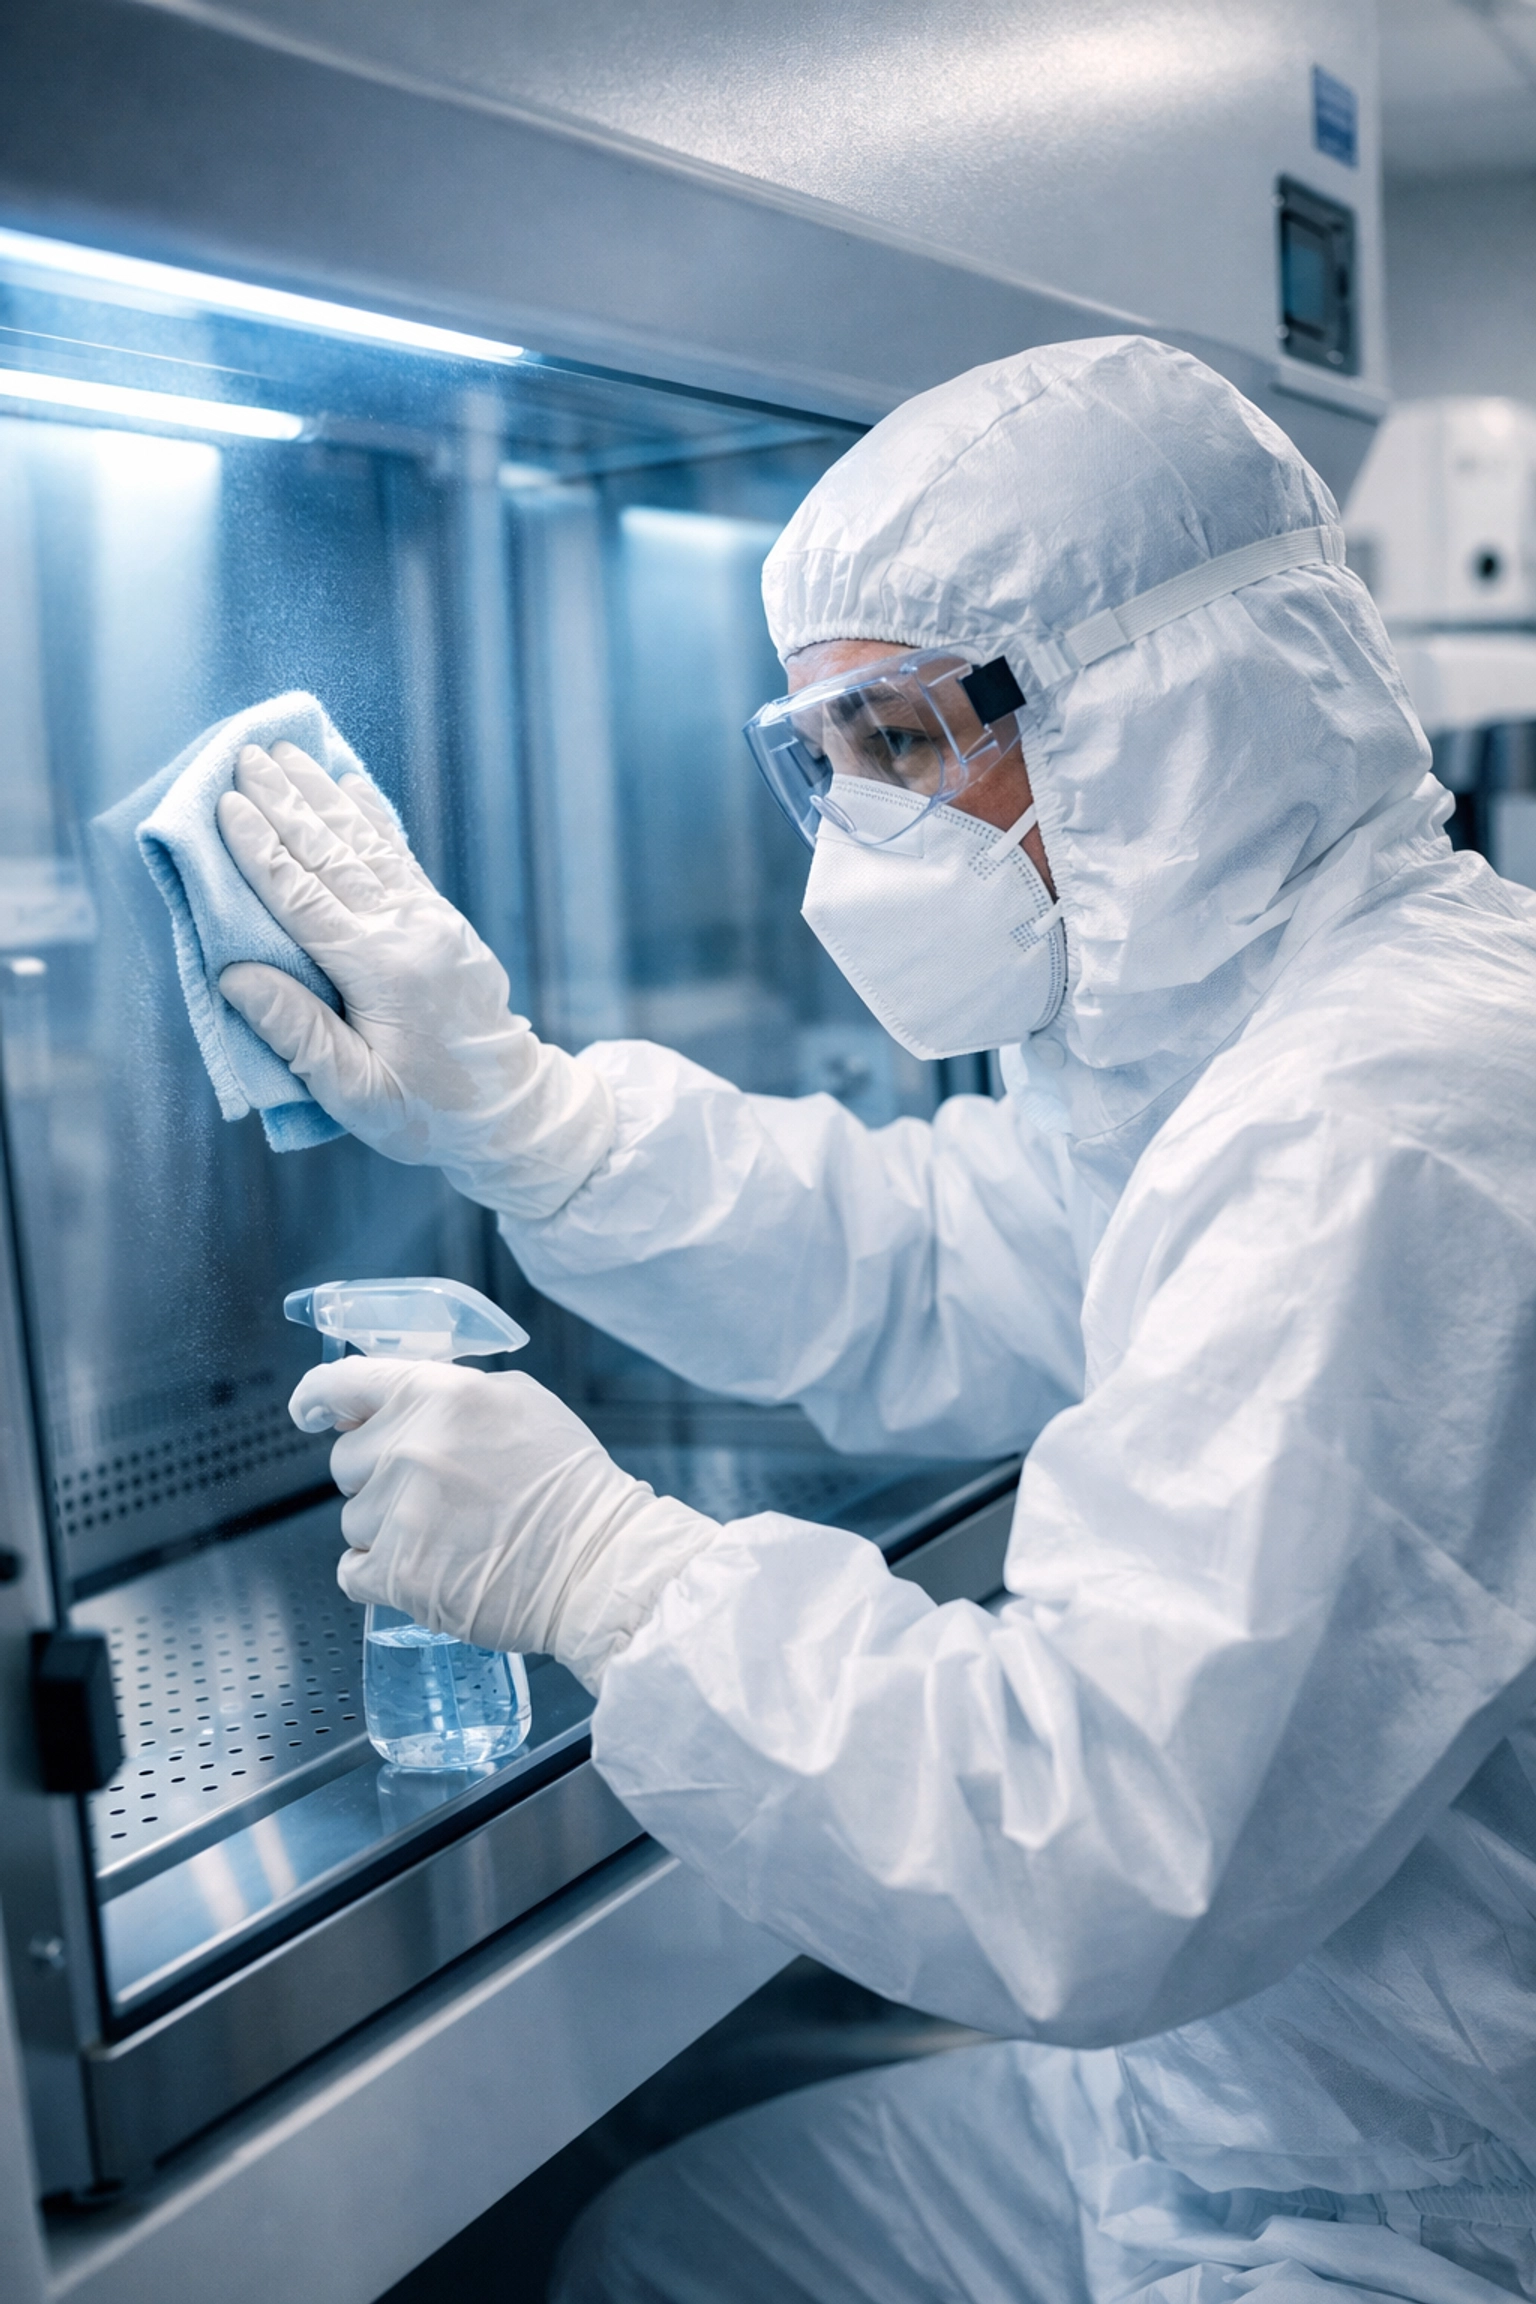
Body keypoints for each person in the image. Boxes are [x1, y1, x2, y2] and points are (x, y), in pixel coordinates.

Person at [217, 338, 1536, 2302]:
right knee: (676, 2247)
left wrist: (610, 1573)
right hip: (1287, 2085)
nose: (854, 829)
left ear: (1153, 712)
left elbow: (1093, 1847)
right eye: (820, 755)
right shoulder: (1274, 1023)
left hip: (1409, 2201)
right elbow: (934, 1259)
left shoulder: (1381, 1126)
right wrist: (528, 1115)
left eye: (901, 744)